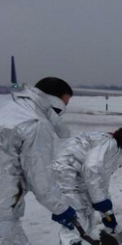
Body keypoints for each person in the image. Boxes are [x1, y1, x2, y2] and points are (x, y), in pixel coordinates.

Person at [0, 77, 78, 245]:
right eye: (63, 105)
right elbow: (41, 180)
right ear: (53, 100)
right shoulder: (36, 123)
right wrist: (63, 209)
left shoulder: (8, 104)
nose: (63, 111)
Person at [52, 128, 122, 245]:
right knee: (78, 216)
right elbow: (91, 169)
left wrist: (107, 214)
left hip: (76, 171)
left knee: (87, 215)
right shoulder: (111, 146)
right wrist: (99, 201)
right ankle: (70, 241)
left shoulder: (115, 146)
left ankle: (73, 240)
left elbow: (102, 183)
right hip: (67, 170)